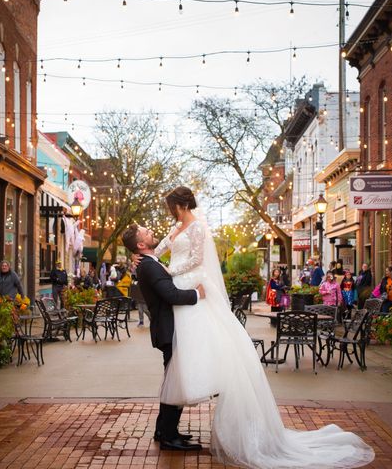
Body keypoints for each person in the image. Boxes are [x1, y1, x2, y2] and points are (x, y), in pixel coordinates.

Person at [131, 186, 374, 468]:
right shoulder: (176, 226)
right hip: (181, 292)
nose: (168, 210)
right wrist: (146, 259)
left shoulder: (197, 227)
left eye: (170, 205)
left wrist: (168, 271)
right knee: (178, 364)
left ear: (180, 204)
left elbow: (196, 259)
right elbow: (159, 250)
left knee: (188, 360)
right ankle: (168, 429)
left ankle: (170, 428)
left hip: (190, 286)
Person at [121, 223, 205, 452]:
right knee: (176, 382)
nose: (151, 231)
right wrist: (198, 294)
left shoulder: (148, 262)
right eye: (146, 232)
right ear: (141, 244)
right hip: (169, 329)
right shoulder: (148, 266)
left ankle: (165, 430)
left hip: (169, 328)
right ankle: (168, 436)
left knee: (173, 380)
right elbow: (171, 295)